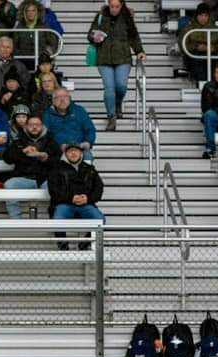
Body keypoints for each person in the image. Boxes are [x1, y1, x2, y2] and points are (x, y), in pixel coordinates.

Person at [90, 0, 145, 131]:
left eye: (117, 6)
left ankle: (118, 104)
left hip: (123, 58)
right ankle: (111, 117)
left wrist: (140, 51)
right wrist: (95, 37)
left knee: (121, 86)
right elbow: (90, 34)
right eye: (112, 6)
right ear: (108, 5)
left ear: (121, 6)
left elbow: (134, 36)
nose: (114, 9)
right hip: (104, 58)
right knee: (109, 88)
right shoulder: (101, 16)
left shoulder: (127, 17)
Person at [48, 141, 105, 249]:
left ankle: (85, 243)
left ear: (81, 153)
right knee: (57, 220)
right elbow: (53, 190)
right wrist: (71, 198)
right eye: (70, 151)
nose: (73, 153)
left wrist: (88, 198)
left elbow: (99, 188)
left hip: (85, 204)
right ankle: (63, 245)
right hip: (64, 204)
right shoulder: (57, 168)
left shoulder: (89, 169)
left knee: (100, 220)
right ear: (65, 154)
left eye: (76, 151)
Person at [2, 112, 59, 218]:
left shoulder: (51, 142)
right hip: (24, 178)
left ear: (42, 126)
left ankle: (54, 219)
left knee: (59, 188)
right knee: (9, 185)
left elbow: (57, 161)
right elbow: (7, 158)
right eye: (31, 125)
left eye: (37, 124)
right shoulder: (18, 141)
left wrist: (45, 157)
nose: (34, 127)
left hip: (46, 178)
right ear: (26, 127)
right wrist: (22, 151)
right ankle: (16, 220)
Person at [43, 88, 96, 162]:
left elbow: (90, 129)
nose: (62, 99)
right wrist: (56, 146)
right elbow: (45, 135)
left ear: (69, 99)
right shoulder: (47, 114)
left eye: (65, 96)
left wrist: (88, 142)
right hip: (58, 149)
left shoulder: (79, 110)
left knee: (87, 156)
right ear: (53, 101)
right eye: (58, 97)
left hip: (79, 147)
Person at [181, 3, 218, 83]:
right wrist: (196, 46)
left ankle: (215, 85)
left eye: (205, 15)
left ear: (209, 16)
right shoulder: (188, 29)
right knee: (198, 62)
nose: (203, 18)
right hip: (195, 55)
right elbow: (183, 45)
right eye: (201, 15)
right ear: (196, 16)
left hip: (213, 55)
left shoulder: (216, 29)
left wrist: (214, 48)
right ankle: (201, 85)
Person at [14, 0, 58, 68]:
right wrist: (19, 54)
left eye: (33, 10)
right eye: (28, 11)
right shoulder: (19, 26)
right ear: (24, 13)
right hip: (23, 61)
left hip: (40, 60)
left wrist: (46, 55)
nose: (30, 13)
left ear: (38, 12)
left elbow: (53, 43)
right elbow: (14, 44)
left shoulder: (45, 26)